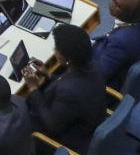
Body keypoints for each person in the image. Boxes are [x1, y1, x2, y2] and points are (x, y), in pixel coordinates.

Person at [23, 24, 107, 154]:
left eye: (56, 48)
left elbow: (52, 126)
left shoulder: (68, 92)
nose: (54, 50)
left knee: (17, 106)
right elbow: (71, 83)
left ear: (66, 58)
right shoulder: (94, 67)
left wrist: (34, 88)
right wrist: (48, 74)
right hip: (85, 120)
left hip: (65, 140)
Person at [90, 0, 140, 90]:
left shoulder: (121, 41)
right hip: (117, 56)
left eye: (117, 4)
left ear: (128, 14)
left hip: (105, 86)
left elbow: (97, 76)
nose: (111, 3)